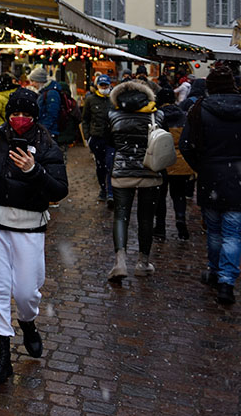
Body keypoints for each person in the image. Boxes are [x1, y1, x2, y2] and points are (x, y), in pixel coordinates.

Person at [0, 88, 68, 384]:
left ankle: (28, 322)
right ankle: (2, 354)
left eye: (27, 114)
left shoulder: (48, 146)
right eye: (15, 113)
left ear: (35, 116)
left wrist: (33, 171)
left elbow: (59, 190)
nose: (20, 119)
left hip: (29, 227)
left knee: (27, 290)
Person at [179, 68, 241, 305]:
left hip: (210, 177)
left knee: (214, 231)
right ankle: (227, 282)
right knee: (233, 234)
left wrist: (201, 166)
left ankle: (215, 272)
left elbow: (185, 145)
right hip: (238, 177)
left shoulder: (199, 109)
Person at [105, 79, 164, 281]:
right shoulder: (157, 114)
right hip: (150, 171)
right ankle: (143, 262)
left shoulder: (112, 114)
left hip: (122, 171)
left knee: (121, 216)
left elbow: (109, 141)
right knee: (146, 218)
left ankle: (119, 261)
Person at [154, 87, 192, 242]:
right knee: (179, 194)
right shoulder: (183, 116)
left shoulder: (157, 117)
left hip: (162, 161)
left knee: (160, 196)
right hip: (180, 163)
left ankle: (160, 228)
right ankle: (181, 220)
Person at [82, 74, 114, 203]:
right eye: (102, 85)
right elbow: (85, 119)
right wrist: (87, 137)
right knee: (100, 166)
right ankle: (103, 189)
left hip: (111, 138)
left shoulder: (113, 99)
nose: (104, 88)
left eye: (106, 85)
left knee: (110, 164)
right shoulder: (91, 100)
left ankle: (111, 192)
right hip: (97, 137)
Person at [29, 67, 62, 138]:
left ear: (39, 81)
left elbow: (52, 114)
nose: (31, 84)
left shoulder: (51, 93)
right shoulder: (45, 92)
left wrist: (43, 129)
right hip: (47, 131)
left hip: (50, 132)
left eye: (33, 81)